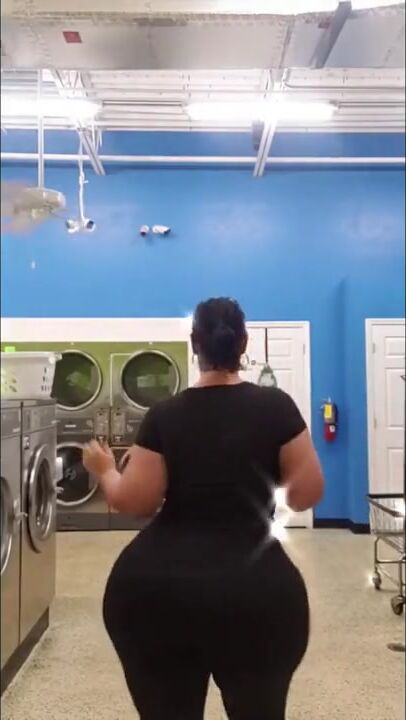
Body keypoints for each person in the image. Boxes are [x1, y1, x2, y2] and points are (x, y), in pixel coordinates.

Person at [83, 297, 324, 720]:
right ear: (243, 343)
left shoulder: (164, 415)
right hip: (257, 596)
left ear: (195, 345)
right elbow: (305, 494)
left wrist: (104, 470)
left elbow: (135, 501)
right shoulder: (277, 407)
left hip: (157, 594)